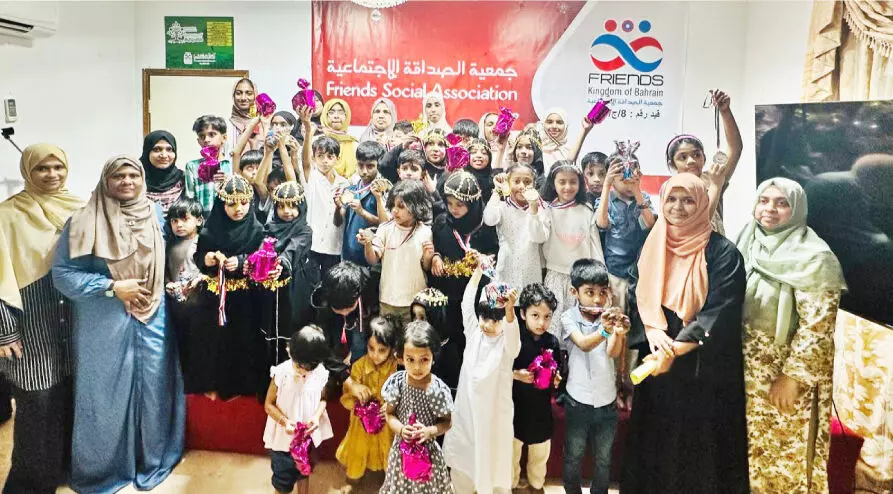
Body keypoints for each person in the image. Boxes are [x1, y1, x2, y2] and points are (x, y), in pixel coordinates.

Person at [52, 155, 185, 493]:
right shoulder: (83, 220)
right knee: (104, 394)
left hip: (153, 315)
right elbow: (63, 275)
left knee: (155, 389)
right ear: (105, 181)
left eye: (133, 175)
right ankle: (104, 468)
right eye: (118, 176)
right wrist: (111, 287)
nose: (127, 181)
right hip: (105, 321)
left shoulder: (155, 214)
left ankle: (151, 458)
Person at [622, 174, 749, 494]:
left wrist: (676, 348)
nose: (678, 207)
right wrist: (651, 331)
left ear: (703, 203)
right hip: (656, 350)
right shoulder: (652, 243)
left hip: (701, 363)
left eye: (688, 200)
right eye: (671, 199)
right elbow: (637, 291)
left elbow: (721, 308)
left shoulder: (723, 252)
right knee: (655, 435)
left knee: (696, 442)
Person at [737, 178, 846, 493]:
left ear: (797, 209)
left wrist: (792, 378)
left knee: (784, 456)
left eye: (782, 203)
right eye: (764, 200)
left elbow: (817, 327)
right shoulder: (748, 239)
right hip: (744, 370)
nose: (769, 209)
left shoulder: (815, 257)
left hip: (782, 374)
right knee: (747, 455)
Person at [0, 144, 82, 493]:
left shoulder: (79, 207)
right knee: (37, 403)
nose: (52, 175)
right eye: (42, 169)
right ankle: (28, 484)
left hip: (72, 317)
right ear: (27, 172)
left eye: (57, 167)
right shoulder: (7, 215)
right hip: (30, 320)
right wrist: (4, 330)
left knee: (66, 399)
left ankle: (60, 471)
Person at [190, 175, 268, 399]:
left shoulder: (256, 230)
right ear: (221, 203)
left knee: (243, 339)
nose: (238, 209)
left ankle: (242, 385)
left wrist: (242, 262)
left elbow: (261, 259)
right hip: (215, 296)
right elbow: (199, 257)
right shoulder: (210, 231)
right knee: (215, 340)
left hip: (246, 295)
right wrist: (208, 259)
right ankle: (215, 383)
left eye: (243, 203)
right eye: (231, 204)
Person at [443, 267, 520, 493]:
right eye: (484, 317)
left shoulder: (507, 345)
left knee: (492, 468)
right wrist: (477, 274)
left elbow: (513, 339)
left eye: (495, 320)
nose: (487, 324)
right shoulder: (474, 332)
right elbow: (467, 303)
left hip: (493, 419)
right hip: (466, 416)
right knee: (462, 466)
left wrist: (509, 313)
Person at [560, 259, 629, 494]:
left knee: (604, 460)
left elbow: (613, 352)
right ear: (574, 292)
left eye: (602, 292)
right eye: (590, 292)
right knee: (573, 457)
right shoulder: (568, 317)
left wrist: (618, 333)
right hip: (577, 401)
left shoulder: (608, 317)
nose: (597, 299)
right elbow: (583, 344)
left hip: (607, 402)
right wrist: (606, 329)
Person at [429, 171, 499, 389]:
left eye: (460, 204)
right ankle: (448, 386)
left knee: (471, 339)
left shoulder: (484, 227)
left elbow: (494, 253)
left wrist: (484, 259)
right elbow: (435, 246)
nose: (454, 209)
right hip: (447, 292)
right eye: (449, 203)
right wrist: (436, 257)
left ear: (472, 203)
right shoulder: (442, 222)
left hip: (474, 294)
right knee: (448, 342)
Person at [379, 320, 454, 494]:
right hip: (401, 451)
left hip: (428, 452)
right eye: (410, 359)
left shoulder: (437, 389)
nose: (417, 367)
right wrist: (401, 429)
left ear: (433, 357)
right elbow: (389, 414)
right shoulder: (397, 383)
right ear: (401, 358)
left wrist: (429, 431)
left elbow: (448, 422)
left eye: (424, 359)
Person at [534, 161, 604, 337]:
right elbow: (540, 239)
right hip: (554, 276)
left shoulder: (587, 209)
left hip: (581, 279)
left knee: (579, 328)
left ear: (580, 184)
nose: (567, 187)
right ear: (553, 184)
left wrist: (601, 278)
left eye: (573, 182)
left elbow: (595, 244)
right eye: (562, 182)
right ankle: (552, 355)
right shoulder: (547, 210)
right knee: (553, 325)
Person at [262, 327, 335, 494]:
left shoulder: (320, 373)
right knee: (282, 479)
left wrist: (317, 417)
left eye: (310, 368)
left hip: (307, 438)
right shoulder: (282, 373)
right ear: (289, 351)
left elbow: (323, 399)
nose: (304, 372)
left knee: (305, 471)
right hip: (283, 441)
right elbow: (268, 404)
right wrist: (284, 421)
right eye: (300, 366)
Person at [664, 89, 742, 235]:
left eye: (696, 155)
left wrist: (725, 111)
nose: (691, 161)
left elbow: (735, 148)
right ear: (672, 164)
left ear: (704, 158)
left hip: (717, 246)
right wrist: (715, 186)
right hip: (689, 246)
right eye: (682, 157)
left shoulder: (712, 177)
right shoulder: (671, 189)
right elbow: (698, 224)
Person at [335, 316, 400, 492]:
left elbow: (403, 394)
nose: (375, 355)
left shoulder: (397, 369)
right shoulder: (359, 366)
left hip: (387, 423)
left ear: (392, 349)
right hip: (361, 425)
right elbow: (347, 396)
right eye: (371, 348)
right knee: (358, 451)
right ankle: (353, 480)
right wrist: (357, 396)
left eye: (382, 350)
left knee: (389, 450)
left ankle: (392, 481)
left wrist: (391, 405)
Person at [358, 179, 435, 322]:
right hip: (388, 299)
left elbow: (426, 267)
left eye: (401, 206)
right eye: (392, 205)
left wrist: (428, 256)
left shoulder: (425, 232)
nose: (394, 210)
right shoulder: (385, 228)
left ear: (416, 207)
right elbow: (372, 260)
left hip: (415, 302)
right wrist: (368, 244)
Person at [511, 283, 561, 492]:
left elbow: (558, 370)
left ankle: (536, 485)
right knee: (512, 452)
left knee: (540, 453)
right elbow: (500, 369)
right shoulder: (515, 339)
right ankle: (512, 485)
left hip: (541, 410)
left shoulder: (552, 342)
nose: (542, 322)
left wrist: (557, 378)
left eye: (547, 317)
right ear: (523, 314)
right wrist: (516, 374)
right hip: (515, 409)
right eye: (535, 315)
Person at [595, 150, 657, 311]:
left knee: (639, 316)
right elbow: (602, 223)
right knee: (616, 316)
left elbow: (650, 224)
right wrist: (606, 186)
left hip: (640, 271)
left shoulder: (643, 198)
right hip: (614, 272)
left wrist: (637, 191)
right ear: (612, 180)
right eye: (623, 179)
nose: (628, 183)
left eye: (632, 179)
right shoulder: (605, 201)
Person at [300, 109, 351, 284]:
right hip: (312, 245)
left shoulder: (344, 184)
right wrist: (308, 129)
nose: (325, 161)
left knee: (331, 287)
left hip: (334, 246)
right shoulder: (312, 177)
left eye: (330, 156)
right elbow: (305, 162)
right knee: (311, 288)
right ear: (314, 158)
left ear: (337, 158)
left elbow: (340, 219)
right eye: (320, 156)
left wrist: (339, 207)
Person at [264, 181, 314, 353]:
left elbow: (293, 249)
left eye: (292, 206)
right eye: (281, 206)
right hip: (270, 287)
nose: (286, 211)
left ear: (301, 207)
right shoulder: (268, 228)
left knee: (291, 328)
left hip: (295, 286)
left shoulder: (305, 231)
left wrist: (281, 264)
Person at [484, 163, 548, 290]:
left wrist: (534, 210)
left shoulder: (540, 209)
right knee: (506, 301)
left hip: (531, 271)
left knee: (528, 301)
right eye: (516, 181)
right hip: (506, 268)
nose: (522, 186)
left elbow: (539, 237)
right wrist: (497, 191)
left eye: (527, 182)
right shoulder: (502, 206)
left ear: (534, 184)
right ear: (508, 183)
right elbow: (489, 220)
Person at [163, 198, 204, 375]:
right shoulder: (170, 246)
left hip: (200, 305)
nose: (179, 225)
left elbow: (210, 272)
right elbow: (165, 270)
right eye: (174, 221)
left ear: (199, 220)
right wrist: (167, 284)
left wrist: (199, 280)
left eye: (185, 219)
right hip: (176, 305)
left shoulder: (203, 243)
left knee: (199, 345)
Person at [335, 140, 390, 267]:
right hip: (348, 255)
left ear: (379, 166)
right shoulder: (350, 189)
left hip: (372, 260)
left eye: (370, 166)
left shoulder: (384, 191)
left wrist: (362, 212)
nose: (364, 171)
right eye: (360, 165)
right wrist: (338, 207)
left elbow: (386, 225)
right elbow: (338, 222)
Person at [311, 261, 379, 362]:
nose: (344, 313)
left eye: (348, 308)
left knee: (359, 339)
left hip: (361, 315)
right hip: (334, 318)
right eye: (339, 309)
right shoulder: (325, 294)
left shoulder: (369, 286)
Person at [184, 115, 231, 216]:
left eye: (212, 134)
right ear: (198, 141)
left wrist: (229, 182)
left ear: (224, 138)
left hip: (229, 221)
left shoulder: (232, 164)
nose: (206, 140)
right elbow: (190, 201)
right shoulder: (192, 167)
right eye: (202, 136)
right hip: (203, 222)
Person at [141, 130, 184, 212]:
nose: (164, 155)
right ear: (147, 152)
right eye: (157, 149)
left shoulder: (184, 180)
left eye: (169, 149)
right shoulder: (135, 179)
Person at [321, 98, 360, 179]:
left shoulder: (354, 145)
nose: (336, 116)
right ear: (325, 115)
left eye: (341, 112)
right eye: (331, 112)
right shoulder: (317, 142)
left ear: (346, 116)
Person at [226, 77, 264, 156]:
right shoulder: (226, 126)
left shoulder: (264, 124)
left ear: (255, 95)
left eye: (249, 93)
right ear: (233, 96)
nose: (243, 98)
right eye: (238, 93)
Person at [538, 108, 571, 173]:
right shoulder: (536, 150)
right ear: (543, 124)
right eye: (549, 122)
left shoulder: (570, 151)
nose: (554, 126)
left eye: (559, 122)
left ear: (565, 125)